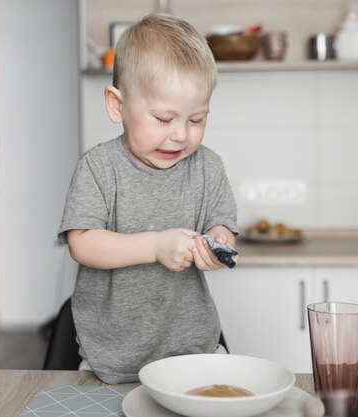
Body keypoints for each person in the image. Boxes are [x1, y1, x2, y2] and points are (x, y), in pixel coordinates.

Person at [58, 13, 238, 384]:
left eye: (196, 119)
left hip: (194, 349)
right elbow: (82, 243)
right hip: (110, 357)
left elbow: (223, 226)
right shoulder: (99, 168)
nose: (179, 135)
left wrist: (219, 244)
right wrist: (156, 246)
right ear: (116, 105)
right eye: (163, 118)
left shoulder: (208, 167)